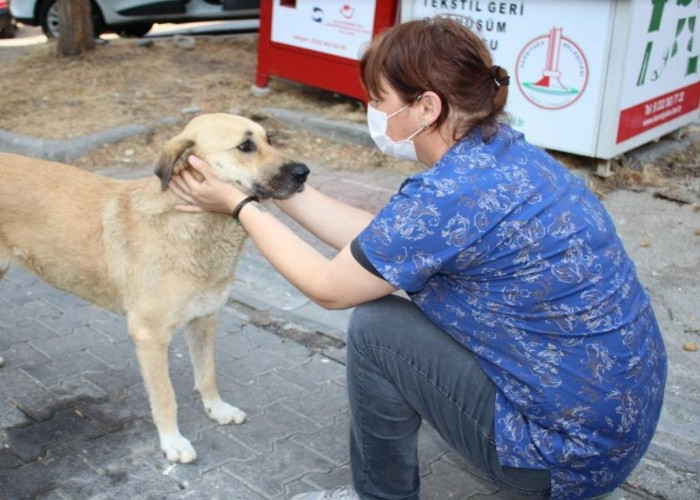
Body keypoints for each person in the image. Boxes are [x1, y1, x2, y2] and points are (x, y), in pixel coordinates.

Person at [169, 17, 667, 500]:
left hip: (563, 455)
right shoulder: (502, 152)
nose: (372, 110)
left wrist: (238, 206)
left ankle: (380, 495)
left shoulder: (449, 194)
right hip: (619, 424)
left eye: (379, 99)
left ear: (426, 106)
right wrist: (268, 184)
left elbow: (328, 286)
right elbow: (384, 244)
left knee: (378, 329)